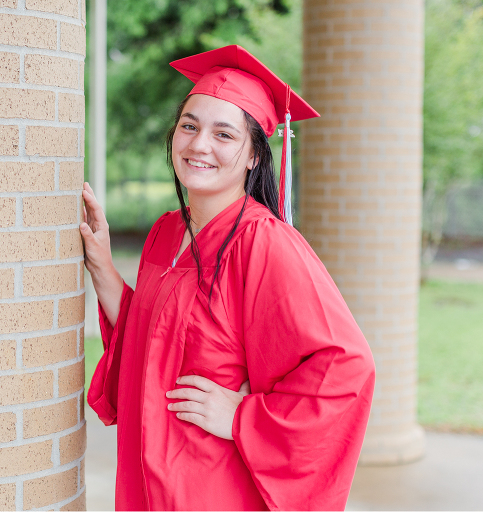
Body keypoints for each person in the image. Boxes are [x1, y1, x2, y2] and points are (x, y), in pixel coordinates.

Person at [80, 45, 375, 511]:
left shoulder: (265, 243)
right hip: (145, 475)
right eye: (190, 126)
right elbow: (149, 337)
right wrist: (100, 265)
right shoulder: (166, 230)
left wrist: (244, 416)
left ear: (255, 155)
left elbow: (345, 367)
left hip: (211, 485)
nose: (199, 145)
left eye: (224, 134)